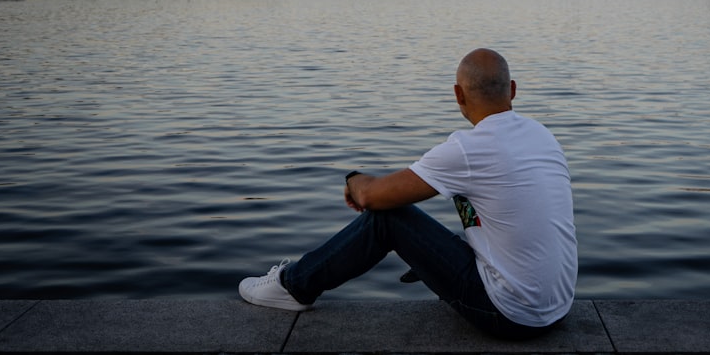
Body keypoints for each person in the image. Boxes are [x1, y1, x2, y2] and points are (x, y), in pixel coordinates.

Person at [238, 48, 577, 340]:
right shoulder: (542, 136)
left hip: (510, 317)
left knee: (389, 219)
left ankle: (292, 286)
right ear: (513, 90)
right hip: (557, 308)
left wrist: (353, 179)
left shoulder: (469, 148)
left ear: (458, 95)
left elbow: (373, 197)